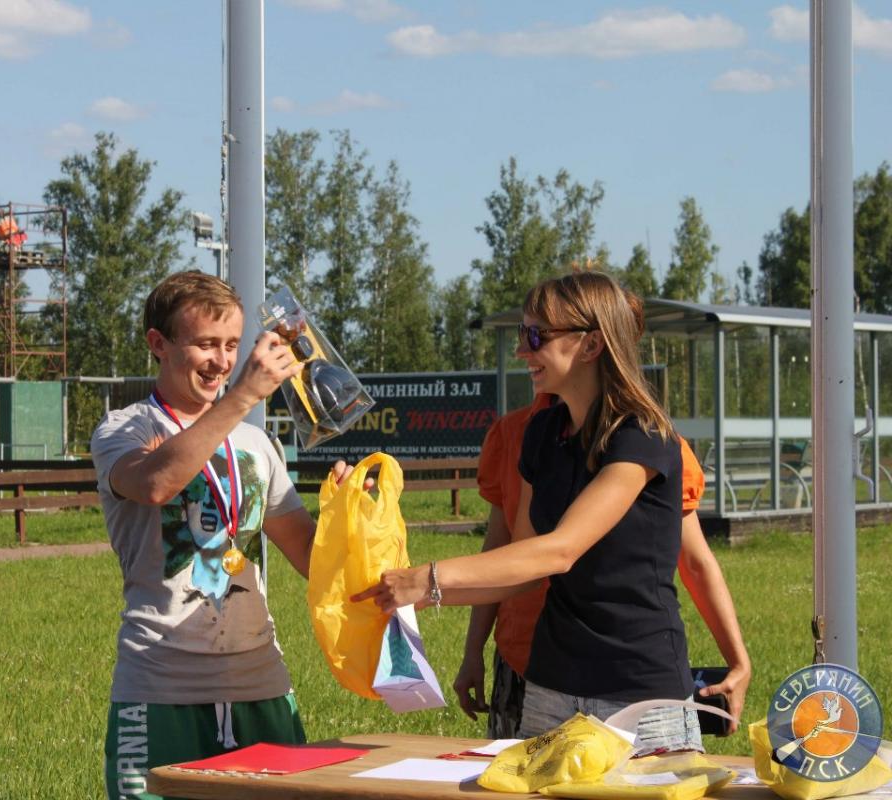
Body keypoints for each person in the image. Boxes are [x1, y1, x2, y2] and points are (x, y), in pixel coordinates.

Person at [354, 271, 714, 752]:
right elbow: (523, 567)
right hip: (550, 688)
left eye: (536, 336)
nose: (523, 351)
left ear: (590, 344)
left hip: (639, 697)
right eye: (523, 334)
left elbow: (559, 551)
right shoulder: (543, 434)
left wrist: (430, 578)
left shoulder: (642, 437)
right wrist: (419, 596)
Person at [92, 271, 343, 799]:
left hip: (260, 683)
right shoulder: (126, 429)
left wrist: (350, 517)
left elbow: (308, 554)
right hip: (160, 685)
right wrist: (243, 396)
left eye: (231, 345)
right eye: (206, 344)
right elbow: (156, 483)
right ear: (158, 343)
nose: (222, 362)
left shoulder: (256, 443)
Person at [455, 396, 752, 740]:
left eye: (539, 343)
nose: (529, 363)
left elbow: (695, 561)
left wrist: (738, 659)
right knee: (516, 773)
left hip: (620, 674)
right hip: (528, 665)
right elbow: (500, 549)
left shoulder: (648, 437)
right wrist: (473, 650)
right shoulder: (516, 433)